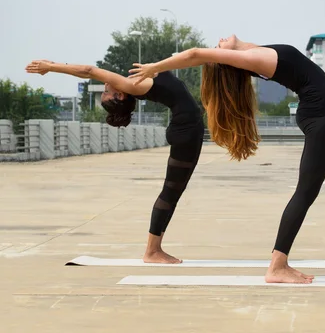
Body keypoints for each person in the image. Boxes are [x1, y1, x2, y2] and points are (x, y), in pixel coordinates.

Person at [128, 35, 325, 284]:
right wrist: (156, 67)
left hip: (318, 114)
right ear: (230, 61)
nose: (219, 41)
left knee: (307, 191)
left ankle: (279, 264)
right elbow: (195, 54)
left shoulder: (253, 52)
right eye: (219, 49)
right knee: (305, 192)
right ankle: (277, 266)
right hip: (320, 116)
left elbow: (195, 54)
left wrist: (170, 61)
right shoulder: (250, 58)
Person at [25, 59, 204, 264]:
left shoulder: (136, 80)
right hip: (186, 131)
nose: (104, 87)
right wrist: (51, 67)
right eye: (106, 93)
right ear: (120, 94)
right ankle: (152, 251)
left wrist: (52, 65)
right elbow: (88, 70)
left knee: (173, 192)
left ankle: (154, 250)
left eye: (103, 92)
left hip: (186, 130)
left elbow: (92, 71)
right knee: (170, 192)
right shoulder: (133, 86)